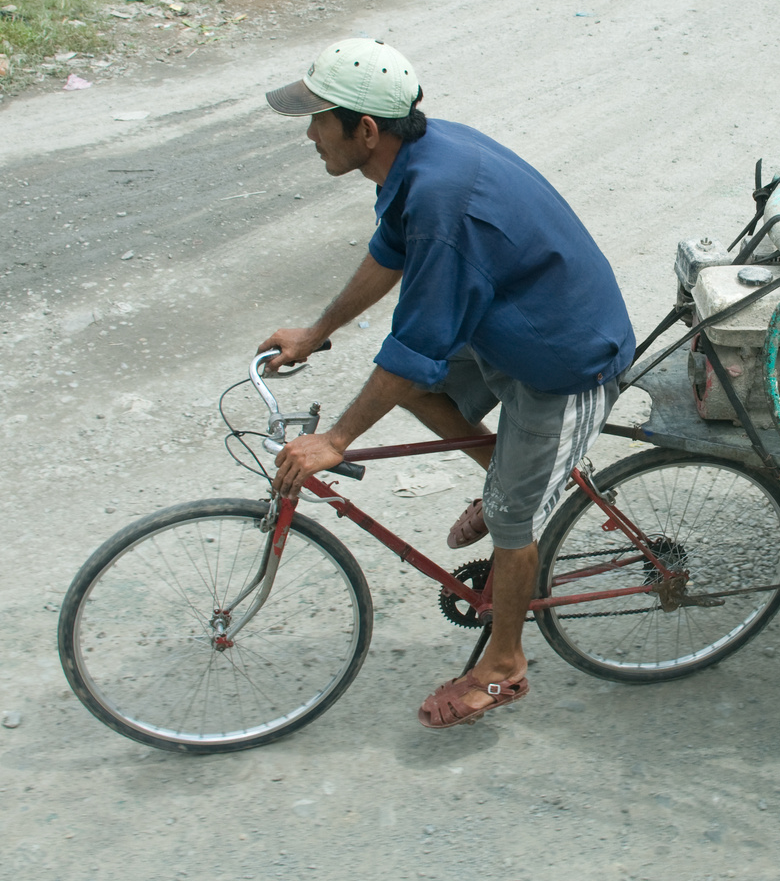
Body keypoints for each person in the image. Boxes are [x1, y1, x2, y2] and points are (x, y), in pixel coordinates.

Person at [258, 37, 635, 729]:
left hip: (566, 359)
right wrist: (316, 332)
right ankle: (506, 473)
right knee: (419, 393)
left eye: (319, 119)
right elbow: (388, 256)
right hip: (511, 322)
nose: (310, 134)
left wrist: (337, 439)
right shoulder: (415, 164)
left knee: (513, 520)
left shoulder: (442, 198)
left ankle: (503, 666)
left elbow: (415, 346)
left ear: (365, 130)